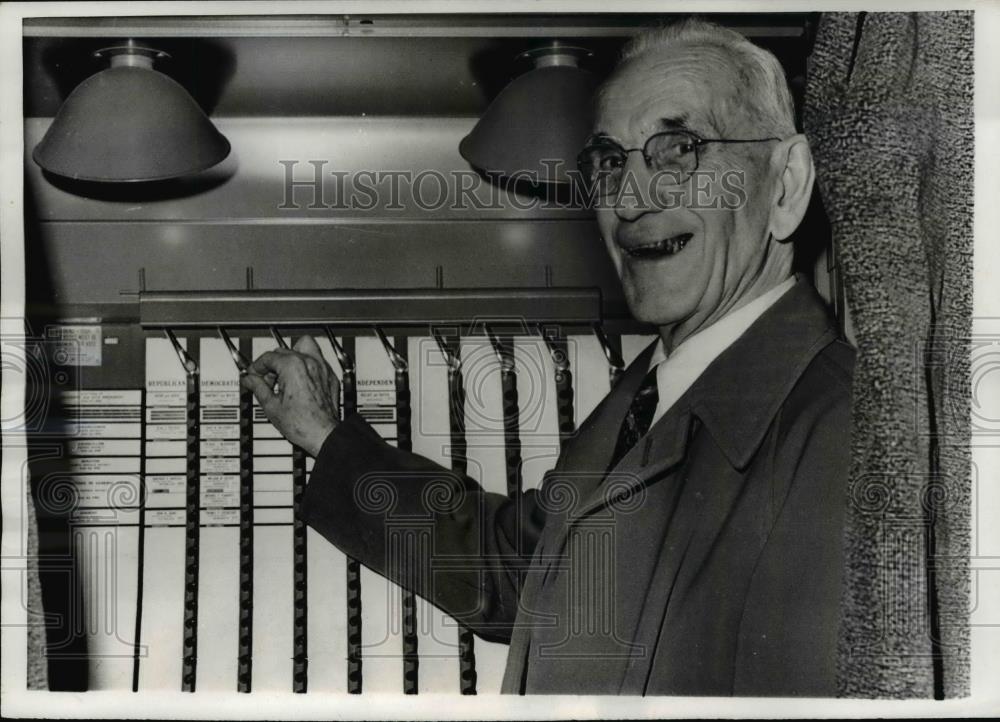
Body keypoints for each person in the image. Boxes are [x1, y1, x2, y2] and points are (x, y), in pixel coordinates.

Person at [242, 19, 855, 696]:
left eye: (679, 149)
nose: (629, 200)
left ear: (785, 184)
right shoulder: (653, 392)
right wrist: (326, 436)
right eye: (610, 162)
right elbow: (520, 573)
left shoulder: (842, 432)